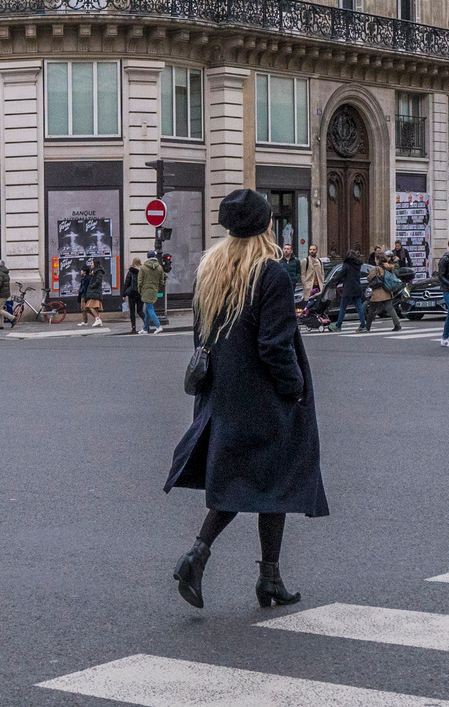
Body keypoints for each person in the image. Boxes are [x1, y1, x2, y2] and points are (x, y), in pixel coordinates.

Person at [167, 188, 328, 611]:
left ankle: (260, 574)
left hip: (223, 395)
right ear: (265, 224)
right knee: (273, 480)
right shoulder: (271, 274)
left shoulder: (211, 270)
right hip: (264, 398)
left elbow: (200, 339)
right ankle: (208, 559)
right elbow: (275, 345)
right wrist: (293, 388)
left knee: (256, 482)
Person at [136, 252, 166, 334]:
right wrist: (156, 287)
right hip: (154, 289)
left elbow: (140, 281)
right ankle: (145, 328)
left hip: (145, 289)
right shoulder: (159, 267)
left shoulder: (143, 268)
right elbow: (161, 281)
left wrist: (140, 289)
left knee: (150, 308)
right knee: (148, 309)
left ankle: (158, 325)